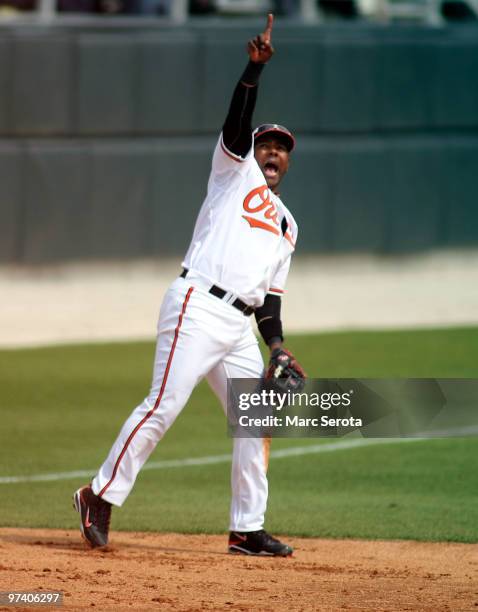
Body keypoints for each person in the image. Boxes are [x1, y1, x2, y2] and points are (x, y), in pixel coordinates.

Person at [73, 13, 302, 557]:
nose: (272, 151)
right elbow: (236, 122)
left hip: (240, 326)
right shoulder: (233, 173)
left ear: (291, 160)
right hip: (197, 305)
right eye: (266, 143)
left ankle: (247, 528)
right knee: (163, 406)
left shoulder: (289, 225)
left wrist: (277, 347)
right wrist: (253, 70)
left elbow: (269, 299)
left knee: (256, 419)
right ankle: (98, 494)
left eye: (282, 147)